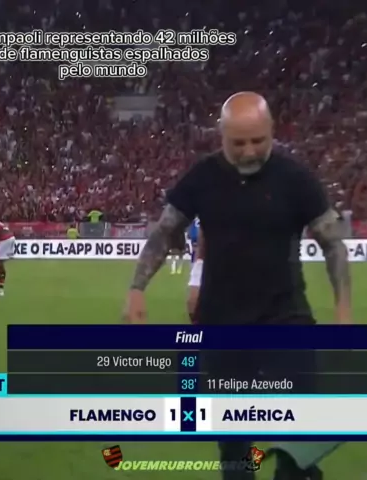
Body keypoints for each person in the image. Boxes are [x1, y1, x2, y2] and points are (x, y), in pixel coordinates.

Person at [123, 92, 352, 479]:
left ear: (272, 131)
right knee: (233, 442)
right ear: (222, 135)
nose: (249, 151)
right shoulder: (202, 178)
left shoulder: (295, 178)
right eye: (238, 143)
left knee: (299, 432)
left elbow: (333, 244)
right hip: (221, 324)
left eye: (258, 140)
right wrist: (136, 288)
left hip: (286, 319)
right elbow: (164, 233)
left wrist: (343, 312)